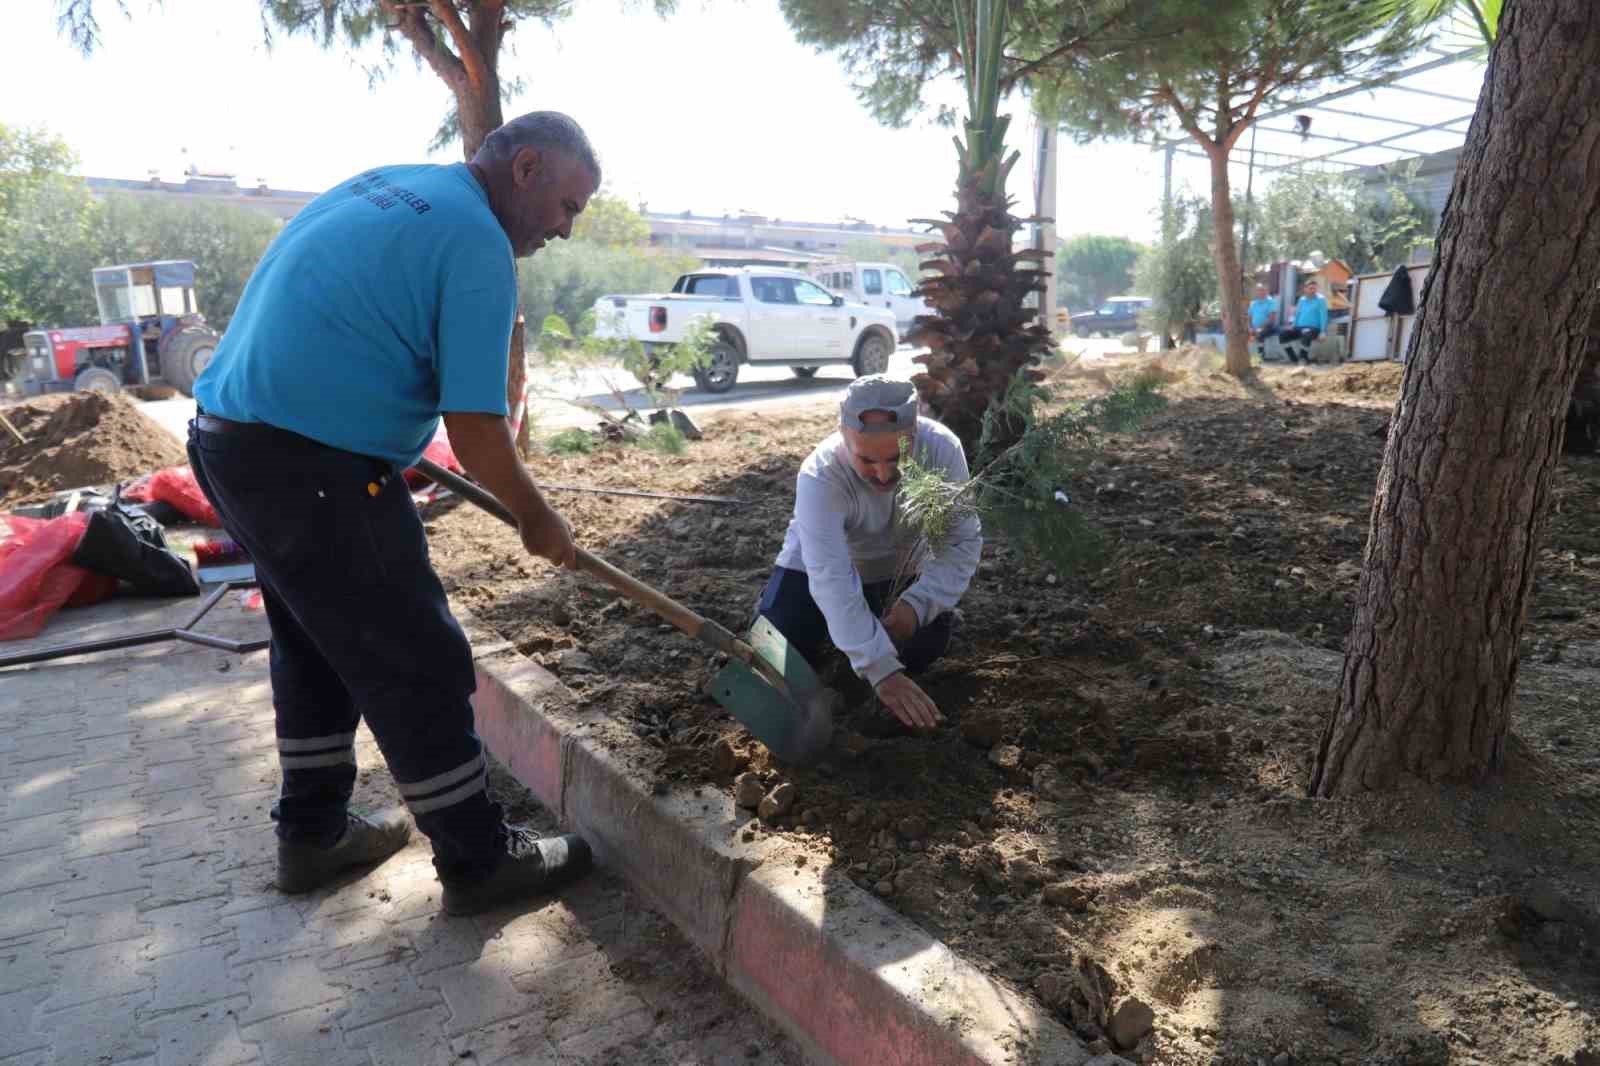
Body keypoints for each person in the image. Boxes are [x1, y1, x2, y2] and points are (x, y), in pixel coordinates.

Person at [187, 112, 598, 916]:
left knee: (313, 641)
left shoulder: (393, 184)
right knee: (418, 654)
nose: (565, 229)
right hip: (309, 465)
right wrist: (537, 517)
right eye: (568, 206)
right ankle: (479, 860)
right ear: (524, 170)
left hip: (229, 442)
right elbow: (476, 429)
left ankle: (312, 835)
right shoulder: (477, 242)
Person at [756, 376, 981, 731]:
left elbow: (959, 542)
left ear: (916, 431)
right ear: (843, 437)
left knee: (922, 647)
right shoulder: (820, 474)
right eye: (867, 460)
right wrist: (881, 670)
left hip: (897, 569)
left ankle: (848, 643)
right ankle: (839, 638)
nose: (883, 474)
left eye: (896, 458)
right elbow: (830, 574)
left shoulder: (942, 450)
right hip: (814, 568)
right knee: (776, 648)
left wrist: (916, 605)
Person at [1278, 279, 1329, 365]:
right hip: (1299, 327)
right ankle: (1293, 359)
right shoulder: (1302, 299)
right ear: (1305, 289)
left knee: (1306, 334)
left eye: (1315, 289)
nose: (1313, 291)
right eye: (1311, 288)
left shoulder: (1321, 300)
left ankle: (1303, 359)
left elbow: (1323, 316)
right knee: (1283, 335)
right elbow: (1297, 314)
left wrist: (1323, 332)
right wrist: (1293, 325)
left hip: (1313, 328)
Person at [1247, 284, 1279, 361]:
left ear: (1267, 291)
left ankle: (1261, 356)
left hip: (1268, 326)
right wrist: (1250, 327)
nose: (1261, 292)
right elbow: (1249, 317)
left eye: (1263, 290)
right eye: (1259, 290)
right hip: (1254, 327)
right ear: (1256, 292)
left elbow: (1272, 318)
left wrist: (1260, 328)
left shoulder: (1271, 302)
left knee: (1259, 333)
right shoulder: (1253, 303)